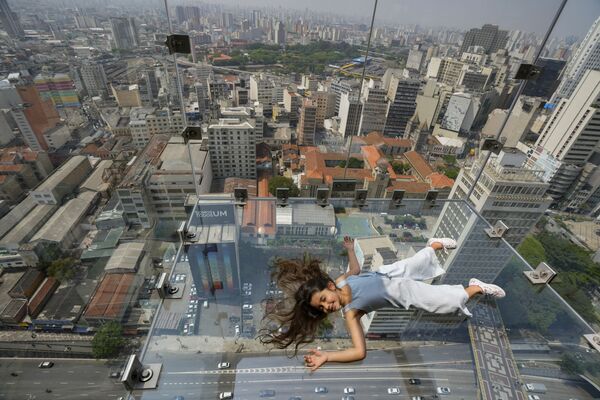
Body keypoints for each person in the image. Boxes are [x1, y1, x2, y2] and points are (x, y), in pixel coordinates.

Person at [259, 236, 505, 371]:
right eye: (322, 308)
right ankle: (475, 288)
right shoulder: (351, 313)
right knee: (440, 301)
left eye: (324, 300)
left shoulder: (342, 280)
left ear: (330, 286)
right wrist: (327, 357)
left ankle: (434, 245)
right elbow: (359, 352)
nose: (327, 307)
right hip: (403, 293)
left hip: (387, 273)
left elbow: (355, 269)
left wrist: (350, 249)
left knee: (417, 263)